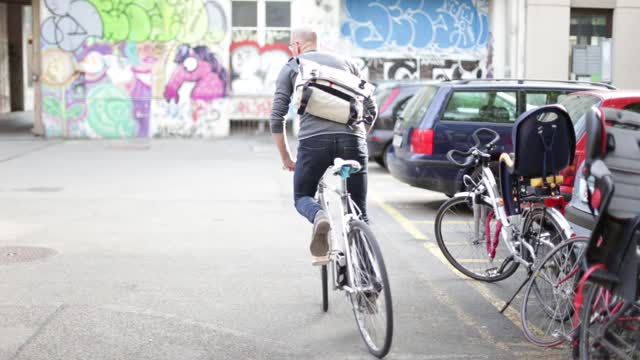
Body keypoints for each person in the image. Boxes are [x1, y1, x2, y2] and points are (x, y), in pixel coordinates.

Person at [270, 28, 377, 265]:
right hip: (352, 141)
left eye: (291, 46)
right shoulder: (348, 64)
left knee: (302, 196)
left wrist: (287, 158)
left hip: (313, 144)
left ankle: (319, 216)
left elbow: (277, 117)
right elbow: (372, 109)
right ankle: (370, 278)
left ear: (297, 45)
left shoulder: (293, 65)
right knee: (359, 211)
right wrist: (358, 139)